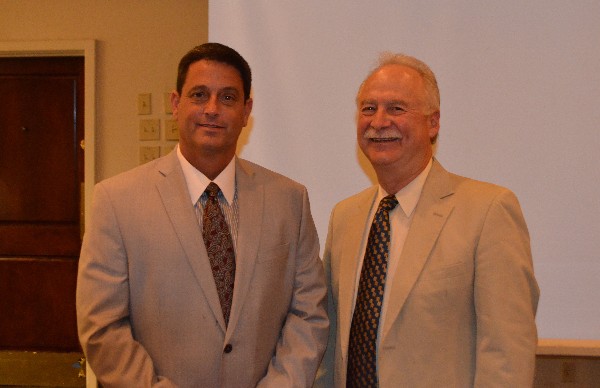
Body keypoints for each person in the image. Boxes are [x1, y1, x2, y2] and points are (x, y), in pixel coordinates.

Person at [77, 42, 328, 387]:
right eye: (199, 95)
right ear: (176, 104)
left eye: (227, 98)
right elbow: (102, 326)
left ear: (246, 110)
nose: (212, 109)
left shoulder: (290, 201)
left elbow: (309, 313)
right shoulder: (117, 201)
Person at [315, 53, 539, 387]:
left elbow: (507, 355)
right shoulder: (345, 217)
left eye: (396, 108)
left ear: (433, 123)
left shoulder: (489, 211)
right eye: (368, 108)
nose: (378, 121)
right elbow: (330, 348)